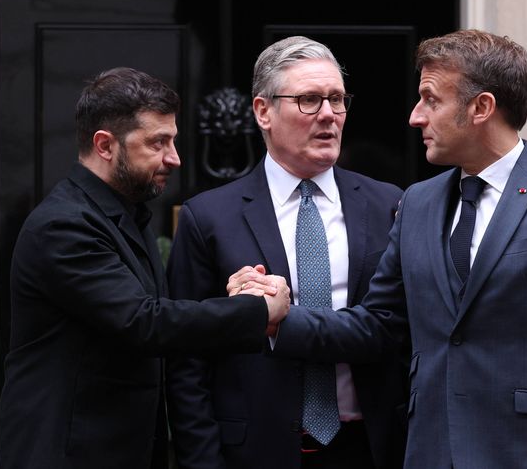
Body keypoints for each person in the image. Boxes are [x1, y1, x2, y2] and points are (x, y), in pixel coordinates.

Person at [242, 30, 527, 468]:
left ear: (481, 107)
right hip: (433, 452)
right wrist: (278, 319)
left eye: (430, 99)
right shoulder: (417, 204)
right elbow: (379, 325)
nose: (415, 116)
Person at [0, 67, 290, 469]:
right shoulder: (63, 225)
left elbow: (144, 312)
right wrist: (257, 310)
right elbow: (142, 321)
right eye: (157, 143)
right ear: (105, 145)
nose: (175, 158)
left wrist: (232, 296)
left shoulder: (126, 215)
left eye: (173, 141)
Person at [166, 36, 407, 469]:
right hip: (255, 451)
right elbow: (187, 362)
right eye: (310, 100)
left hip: (370, 447)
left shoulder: (389, 205)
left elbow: (401, 330)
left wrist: (280, 318)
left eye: (337, 99)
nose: (329, 115)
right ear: (263, 112)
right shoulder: (209, 217)